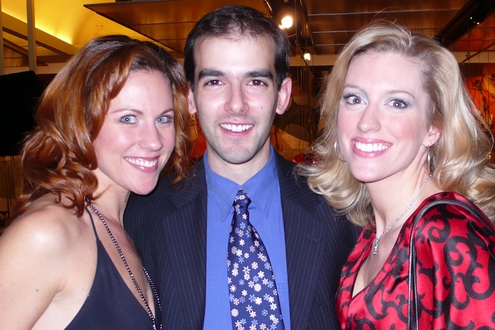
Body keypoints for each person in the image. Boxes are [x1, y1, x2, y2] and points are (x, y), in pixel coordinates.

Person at [124, 5, 360, 330]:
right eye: (215, 82)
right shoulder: (142, 216)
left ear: (282, 95)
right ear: (190, 97)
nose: (236, 104)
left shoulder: (340, 211)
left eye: (256, 82)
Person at [299, 21, 495, 328]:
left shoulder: (447, 232)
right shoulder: (370, 235)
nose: (367, 122)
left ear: (433, 127)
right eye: (354, 98)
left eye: (396, 103)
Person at [0, 35, 191, 329]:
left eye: (163, 119)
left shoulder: (127, 223)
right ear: (81, 122)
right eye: (128, 118)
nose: (154, 141)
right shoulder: (47, 233)